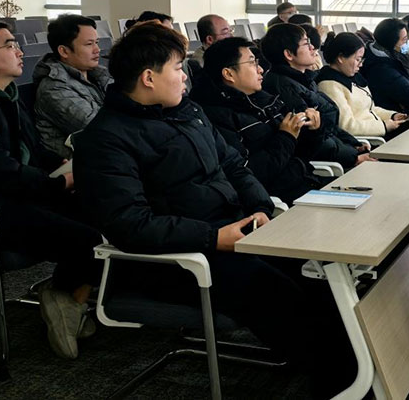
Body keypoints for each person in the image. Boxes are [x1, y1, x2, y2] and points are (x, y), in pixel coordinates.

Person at [72, 22, 355, 395]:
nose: (185, 78)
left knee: (315, 269)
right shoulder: (106, 139)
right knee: (274, 290)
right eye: (178, 69)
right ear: (148, 78)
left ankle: (353, 366)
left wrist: (259, 207)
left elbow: (233, 165)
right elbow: (130, 224)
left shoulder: (188, 113)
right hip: (174, 257)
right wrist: (213, 238)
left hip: (229, 231)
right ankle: (341, 381)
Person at [0, 22, 101, 360]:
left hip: (28, 192)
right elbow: (0, 169)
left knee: (107, 215)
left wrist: (64, 167)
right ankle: (63, 297)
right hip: (2, 209)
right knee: (89, 238)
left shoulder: (10, 96)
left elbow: (35, 150)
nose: (20, 51)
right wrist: (56, 184)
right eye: (9, 45)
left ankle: (67, 299)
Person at [190, 37, 322, 203]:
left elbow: (301, 153)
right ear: (229, 74)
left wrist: (313, 130)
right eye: (252, 63)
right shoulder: (215, 117)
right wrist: (286, 137)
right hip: (281, 199)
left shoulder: (264, 100)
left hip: (305, 181)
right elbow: (250, 173)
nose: (260, 70)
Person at [260, 23, 369, 169]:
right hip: (329, 165)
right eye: (306, 44)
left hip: (338, 154)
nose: (313, 48)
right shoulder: (284, 88)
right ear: (289, 54)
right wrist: (353, 157)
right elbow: (311, 139)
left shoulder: (304, 80)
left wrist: (353, 144)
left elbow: (328, 127)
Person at [33, 15, 111, 159]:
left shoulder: (99, 75)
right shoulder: (54, 89)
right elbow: (100, 129)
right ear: (64, 51)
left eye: (97, 42)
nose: (97, 49)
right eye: (89, 44)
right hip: (80, 163)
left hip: (108, 154)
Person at [316, 32, 409, 138]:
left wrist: (392, 116)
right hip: (369, 139)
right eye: (357, 59)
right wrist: (384, 126)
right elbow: (347, 126)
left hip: (377, 130)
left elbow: (370, 109)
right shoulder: (329, 85)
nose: (361, 64)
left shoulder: (353, 77)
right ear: (341, 58)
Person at [360, 18, 409, 113]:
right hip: (394, 115)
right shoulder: (382, 68)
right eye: (404, 39)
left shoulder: (390, 55)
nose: (407, 42)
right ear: (391, 43)